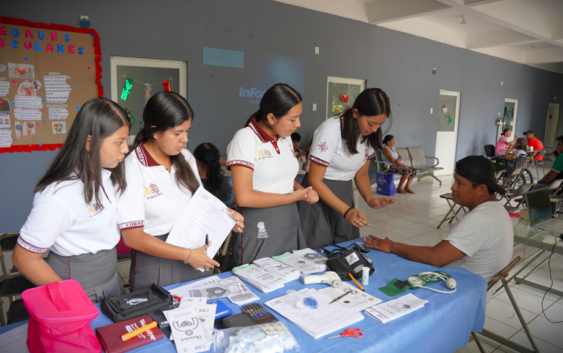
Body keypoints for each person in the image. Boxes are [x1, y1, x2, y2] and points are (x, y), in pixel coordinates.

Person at [117, 92, 244, 291]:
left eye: (187, 131)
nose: (184, 139)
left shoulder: (185, 157)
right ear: (155, 131)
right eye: (178, 133)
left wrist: (225, 217)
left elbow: (200, 203)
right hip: (157, 257)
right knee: (160, 317)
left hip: (195, 249)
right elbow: (133, 238)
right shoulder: (133, 167)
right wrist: (187, 255)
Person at [12, 98, 131, 302]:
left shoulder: (108, 175)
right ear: (89, 143)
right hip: (77, 284)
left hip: (110, 278)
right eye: (118, 142)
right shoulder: (59, 194)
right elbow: (24, 259)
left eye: (125, 141)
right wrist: (70, 297)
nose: (126, 149)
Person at [364, 156, 513, 287]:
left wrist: (392, 246)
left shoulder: (481, 219)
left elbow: (436, 257)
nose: (453, 187)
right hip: (469, 282)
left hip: (461, 289)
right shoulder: (496, 209)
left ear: (481, 189)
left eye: (460, 183)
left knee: (382, 274)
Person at [226, 83, 318, 266]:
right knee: (260, 275)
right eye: (293, 119)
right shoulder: (245, 138)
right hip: (260, 222)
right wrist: (292, 197)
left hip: (289, 218)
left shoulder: (284, 138)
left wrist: (303, 190)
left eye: (299, 118)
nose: (298, 124)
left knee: (290, 272)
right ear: (271, 117)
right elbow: (244, 197)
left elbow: (282, 176)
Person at [298, 88, 396, 250]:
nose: (375, 129)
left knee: (343, 246)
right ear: (356, 113)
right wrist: (346, 211)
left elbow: (361, 173)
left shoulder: (370, 135)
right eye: (371, 123)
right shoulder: (330, 131)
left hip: (344, 193)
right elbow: (315, 181)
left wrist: (370, 200)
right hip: (318, 193)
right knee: (317, 247)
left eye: (380, 124)